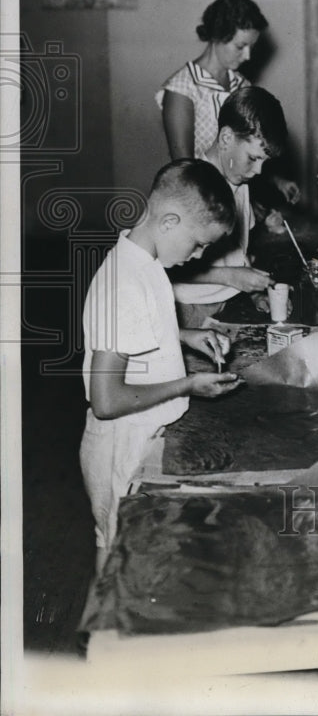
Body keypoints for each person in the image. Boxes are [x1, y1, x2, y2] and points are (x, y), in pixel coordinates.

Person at [79, 159, 242, 570]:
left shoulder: (147, 264)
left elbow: (140, 336)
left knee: (133, 545)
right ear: (169, 221)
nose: (201, 255)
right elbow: (107, 399)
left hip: (145, 431)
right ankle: (102, 631)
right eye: (199, 243)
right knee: (118, 549)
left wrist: (187, 338)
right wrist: (187, 384)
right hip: (122, 441)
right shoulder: (123, 283)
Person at [156, 0, 300, 206]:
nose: (248, 56)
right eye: (241, 46)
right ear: (217, 36)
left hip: (238, 198)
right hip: (198, 200)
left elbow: (250, 149)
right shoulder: (182, 88)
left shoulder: (242, 85)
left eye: (251, 47)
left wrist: (276, 180)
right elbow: (183, 169)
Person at [171, 86, 288, 328]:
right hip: (187, 310)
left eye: (264, 162)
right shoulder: (192, 187)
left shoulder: (239, 178)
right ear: (226, 138)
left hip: (226, 301)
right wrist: (233, 277)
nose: (258, 171)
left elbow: (236, 252)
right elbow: (169, 268)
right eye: (253, 158)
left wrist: (254, 291)